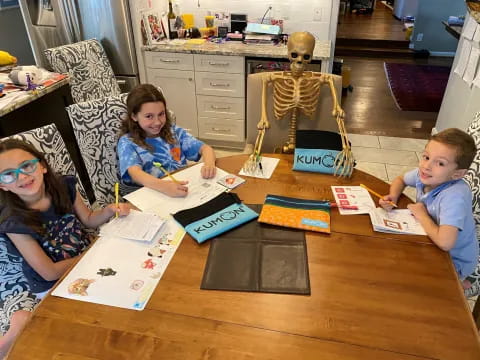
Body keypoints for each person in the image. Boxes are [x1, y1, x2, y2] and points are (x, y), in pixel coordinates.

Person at [0, 139, 130, 357]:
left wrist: (108, 210)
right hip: (52, 283)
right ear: (2, 185)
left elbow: (88, 219)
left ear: (42, 165)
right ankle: (17, 327)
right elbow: (48, 272)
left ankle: (21, 320)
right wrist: (94, 254)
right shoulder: (14, 221)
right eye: (9, 174)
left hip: (85, 260)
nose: (22, 176)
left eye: (26, 166)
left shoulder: (64, 186)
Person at [379, 128, 478, 281]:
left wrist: (422, 215)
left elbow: (446, 243)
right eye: (426, 157)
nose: (427, 166)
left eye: (440, 163)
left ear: (457, 174)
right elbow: (401, 179)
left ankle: (464, 282)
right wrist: (393, 196)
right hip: (432, 240)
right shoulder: (425, 175)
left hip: (454, 262)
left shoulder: (455, 196)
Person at [117, 84, 216, 197]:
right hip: (153, 196)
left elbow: (205, 148)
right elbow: (135, 173)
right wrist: (165, 186)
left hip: (182, 191)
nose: (157, 122)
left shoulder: (173, 131)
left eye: (161, 114)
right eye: (149, 116)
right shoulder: (127, 142)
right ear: (134, 116)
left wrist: (209, 164)